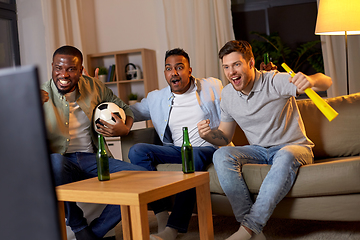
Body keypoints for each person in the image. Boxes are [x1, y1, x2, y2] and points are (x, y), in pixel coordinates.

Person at [197, 40, 332, 240]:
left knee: (285, 153)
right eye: (226, 66)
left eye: (236, 64)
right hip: (260, 151)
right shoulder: (227, 95)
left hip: (294, 147)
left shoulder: (274, 81)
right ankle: (254, 232)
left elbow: (326, 80)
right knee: (222, 154)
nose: (231, 72)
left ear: (251, 63)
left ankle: (248, 229)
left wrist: (311, 81)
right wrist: (207, 135)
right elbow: (225, 137)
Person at [41, 45, 148, 240]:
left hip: (94, 159)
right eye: (58, 68)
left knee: (143, 176)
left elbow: (126, 108)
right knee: (54, 162)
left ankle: (95, 233)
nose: (63, 74)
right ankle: (79, 226)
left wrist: (125, 127)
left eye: (71, 69)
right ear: (52, 67)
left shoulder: (94, 86)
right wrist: (31, 106)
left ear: (81, 71)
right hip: (62, 163)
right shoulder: (40, 94)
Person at [128, 48, 223, 240]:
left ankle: (174, 227)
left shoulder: (212, 86)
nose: (174, 73)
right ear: (165, 73)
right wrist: (98, 94)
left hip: (207, 148)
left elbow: (237, 93)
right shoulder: (157, 98)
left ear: (189, 70)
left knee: (192, 155)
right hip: (175, 149)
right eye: (169, 68)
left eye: (180, 67)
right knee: (137, 151)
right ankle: (161, 214)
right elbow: (131, 111)